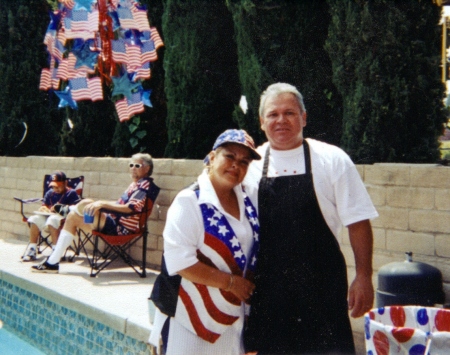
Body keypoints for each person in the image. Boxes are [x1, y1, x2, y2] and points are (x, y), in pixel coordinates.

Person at [243, 83, 379, 355]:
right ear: (261, 122)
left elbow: (358, 221)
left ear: (304, 118)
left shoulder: (332, 159)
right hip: (271, 289)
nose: (281, 120)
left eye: (290, 113)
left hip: (322, 285)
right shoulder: (250, 166)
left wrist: (363, 275)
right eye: (272, 114)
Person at [149, 129, 261, 355]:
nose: (235, 165)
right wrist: (231, 283)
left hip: (233, 317)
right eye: (229, 156)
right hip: (189, 319)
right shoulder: (189, 201)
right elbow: (179, 263)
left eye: (244, 161)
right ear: (212, 157)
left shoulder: (249, 198)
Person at [31, 153, 158, 273]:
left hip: (120, 228)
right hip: (112, 222)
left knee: (87, 203)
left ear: (147, 169)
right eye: (131, 165)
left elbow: (130, 208)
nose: (133, 168)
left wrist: (102, 204)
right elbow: (121, 205)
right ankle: (53, 262)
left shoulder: (144, 186)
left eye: (137, 166)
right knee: (72, 217)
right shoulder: (135, 185)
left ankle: (69, 209)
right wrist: (101, 204)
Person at [22, 171, 81, 262]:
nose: (55, 188)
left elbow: (76, 209)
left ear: (65, 183)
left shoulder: (71, 193)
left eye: (58, 186)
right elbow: (44, 205)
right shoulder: (50, 193)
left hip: (64, 221)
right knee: (34, 219)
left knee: (52, 220)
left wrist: (60, 209)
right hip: (47, 218)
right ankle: (32, 249)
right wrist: (43, 208)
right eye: (53, 186)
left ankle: (56, 251)